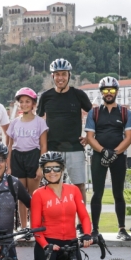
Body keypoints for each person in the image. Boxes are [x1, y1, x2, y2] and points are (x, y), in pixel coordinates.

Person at [84, 76, 131, 242]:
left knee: (118, 193)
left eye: (111, 90)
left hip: (118, 156)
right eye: (105, 90)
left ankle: (121, 228)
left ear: (116, 92)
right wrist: (103, 151)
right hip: (99, 155)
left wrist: (115, 152)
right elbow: (90, 137)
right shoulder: (95, 112)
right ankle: (95, 229)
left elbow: (129, 137)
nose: (108, 93)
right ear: (101, 93)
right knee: (97, 193)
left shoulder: (124, 112)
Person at [36, 59, 92, 200]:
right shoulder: (46, 96)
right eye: (57, 74)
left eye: (64, 74)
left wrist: (90, 136)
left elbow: (93, 115)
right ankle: (54, 220)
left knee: (79, 186)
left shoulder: (78, 95)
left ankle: (81, 221)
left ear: (69, 75)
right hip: (53, 148)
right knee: (53, 185)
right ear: (52, 76)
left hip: (75, 148)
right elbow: (37, 120)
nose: (60, 77)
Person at [5, 87, 48, 230]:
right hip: (17, 157)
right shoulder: (14, 123)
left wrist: (41, 167)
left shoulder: (39, 122)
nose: (24, 104)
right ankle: (24, 227)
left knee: (34, 196)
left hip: (33, 157)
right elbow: (9, 146)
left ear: (33, 104)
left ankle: (34, 225)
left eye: (27, 101)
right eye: (21, 102)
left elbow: (43, 146)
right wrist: (8, 166)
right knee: (21, 195)